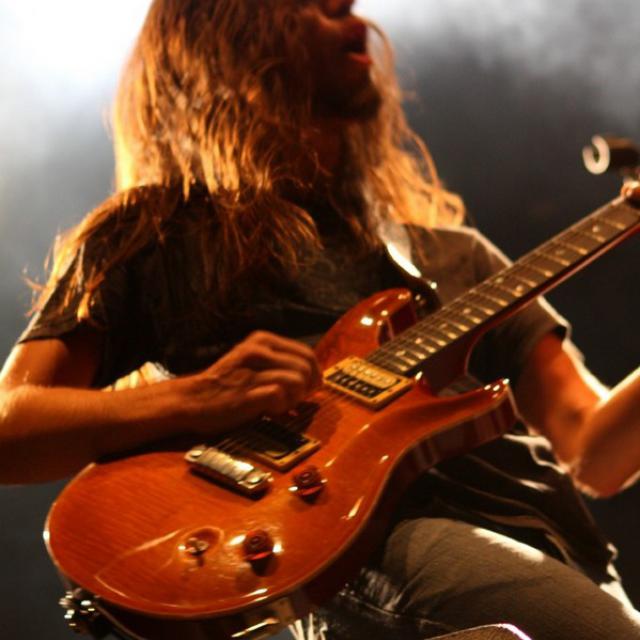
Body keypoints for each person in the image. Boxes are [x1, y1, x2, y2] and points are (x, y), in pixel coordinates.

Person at [1, 0, 640, 637]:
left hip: (568, 551)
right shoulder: (160, 233)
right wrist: (198, 397)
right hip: (370, 542)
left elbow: (594, 450)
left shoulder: (455, 256)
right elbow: (11, 426)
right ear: (229, 32)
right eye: (319, 5)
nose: (356, 18)